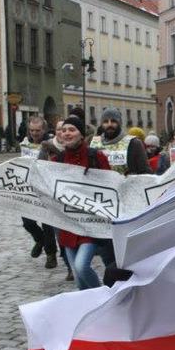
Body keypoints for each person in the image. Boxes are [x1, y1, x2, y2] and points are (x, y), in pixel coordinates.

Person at [45, 116, 110, 290]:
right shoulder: (57, 161)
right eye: (64, 130)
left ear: (81, 135)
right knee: (78, 277)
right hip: (68, 224)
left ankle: (104, 300)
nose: (67, 133)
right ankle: (91, 309)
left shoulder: (96, 157)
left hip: (90, 224)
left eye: (72, 130)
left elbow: (110, 187)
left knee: (81, 266)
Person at [20, 116, 60, 271]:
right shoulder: (25, 142)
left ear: (44, 130)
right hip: (28, 187)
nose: (34, 133)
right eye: (31, 130)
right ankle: (40, 239)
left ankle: (51, 255)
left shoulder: (50, 143)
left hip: (46, 187)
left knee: (47, 223)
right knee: (27, 221)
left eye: (37, 130)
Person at [89, 107, 150, 175]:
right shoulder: (94, 143)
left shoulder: (134, 143)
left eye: (113, 121)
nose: (109, 124)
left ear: (120, 123)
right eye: (106, 121)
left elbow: (145, 173)